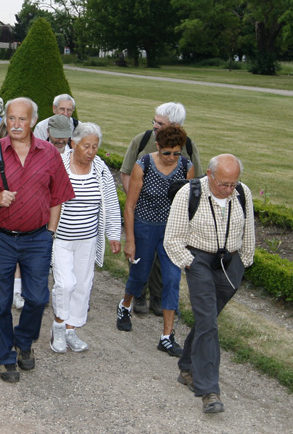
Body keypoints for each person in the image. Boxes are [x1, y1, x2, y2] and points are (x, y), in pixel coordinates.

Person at [0, 97, 74, 383]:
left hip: (37, 238)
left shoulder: (49, 153)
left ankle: (24, 342)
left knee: (37, 299)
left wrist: (50, 233)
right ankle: (5, 356)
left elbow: (58, 196)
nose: (15, 124)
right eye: (11, 118)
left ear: (33, 122)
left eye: (22, 119)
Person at [164, 154, 255, 414]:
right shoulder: (189, 193)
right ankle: (209, 389)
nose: (228, 190)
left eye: (233, 184)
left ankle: (186, 366)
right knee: (208, 323)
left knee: (208, 319)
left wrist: (244, 261)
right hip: (199, 261)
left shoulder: (242, 192)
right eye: (223, 184)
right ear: (211, 176)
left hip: (230, 264)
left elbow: (248, 229)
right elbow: (172, 238)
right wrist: (189, 263)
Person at [117, 125, 195, 357]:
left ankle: (167, 336)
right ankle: (125, 305)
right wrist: (130, 240)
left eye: (177, 153)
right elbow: (130, 206)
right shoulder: (144, 165)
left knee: (171, 280)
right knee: (140, 275)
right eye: (167, 152)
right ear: (158, 147)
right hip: (145, 226)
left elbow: (189, 207)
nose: (172, 158)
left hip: (172, 232)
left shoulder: (186, 168)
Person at [120, 102, 203, 316]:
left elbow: (195, 187)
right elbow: (127, 171)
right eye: (154, 122)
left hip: (170, 224)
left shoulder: (188, 150)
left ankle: (159, 300)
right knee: (141, 265)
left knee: (167, 270)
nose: (155, 126)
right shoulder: (143, 141)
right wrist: (135, 202)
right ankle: (135, 297)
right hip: (145, 218)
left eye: (160, 123)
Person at [50, 123, 121, 353]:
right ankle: (58, 326)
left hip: (87, 240)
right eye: (86, 146)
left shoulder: (99, 169)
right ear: (73, 143)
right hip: (61, 238)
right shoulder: (58, 164)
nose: (91, 151)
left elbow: (110, 202)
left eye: (95, 147)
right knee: (65, 284)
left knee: (82, 285)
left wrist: (113, 234)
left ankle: (71, 330)